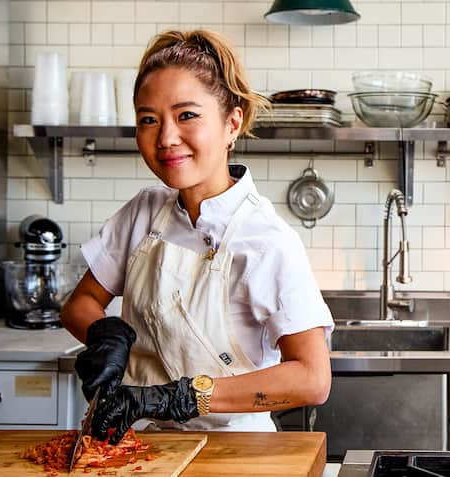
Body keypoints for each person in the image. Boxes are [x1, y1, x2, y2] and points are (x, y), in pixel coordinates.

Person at [61, 29, 334, 444]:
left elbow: (312, 379)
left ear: (232, 123)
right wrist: (105, 335)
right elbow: (79, 304)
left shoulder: (267, 239)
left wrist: (185, 397)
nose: (166, 138)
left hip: (240, 449)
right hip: (150, 444)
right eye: (148, 120)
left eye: (186, 115)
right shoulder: (143, 212)